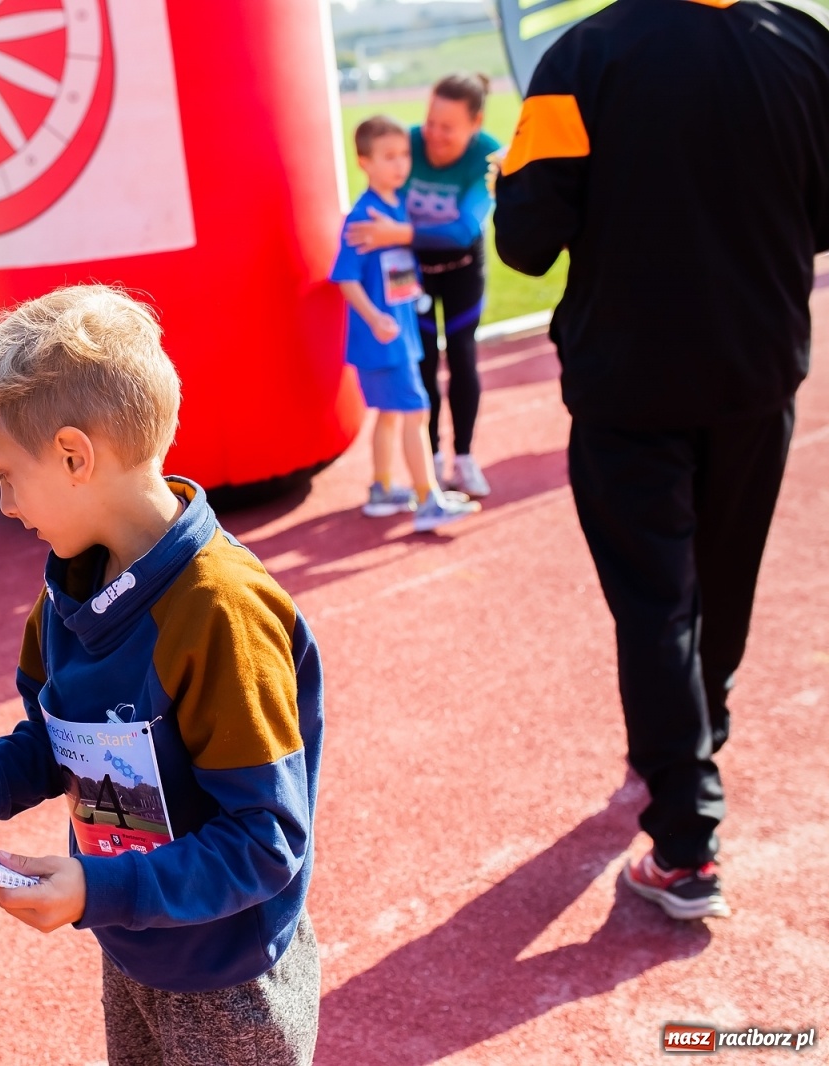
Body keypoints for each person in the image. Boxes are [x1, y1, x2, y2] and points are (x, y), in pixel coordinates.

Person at [0, 286, 325, 1066]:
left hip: (229, 979)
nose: (4, 503)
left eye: (6, 475)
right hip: (133, 944)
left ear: (73, 457)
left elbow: (265, 841)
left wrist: (100, 890)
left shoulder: (221, 612)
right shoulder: (68, 595)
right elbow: (54, 741)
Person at [494, 0, 829, 920]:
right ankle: (696, 736)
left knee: (656, 606)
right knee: (724, 580)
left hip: (630, 386)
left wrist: (510, 178)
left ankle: (685, 840)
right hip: (758, 371)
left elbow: (525, 242)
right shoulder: (806, 44)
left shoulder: (583, 57)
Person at [345, 73, 502, 499]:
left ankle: (463, 458)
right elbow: (377, 192)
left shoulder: (487, 155)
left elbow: (465, 229)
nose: (433, 134)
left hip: (462, 269)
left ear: (475, 124)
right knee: (424, 361)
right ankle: (429, 462)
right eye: (430, 122)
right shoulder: (408, 142)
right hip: (414, 272)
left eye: (448, 127)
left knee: (463, 355)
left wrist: (399, 234)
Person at [332, 115, 480, 533]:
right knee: (417, 411)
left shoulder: (396, 206)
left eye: (403, 156)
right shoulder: (362, 218)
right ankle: (428, 499)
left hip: (402, 333)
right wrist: (376, 317)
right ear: (364, 162)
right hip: (384, 340)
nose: (400, 165)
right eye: (389, 157)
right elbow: (345, 277)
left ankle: (382, 488)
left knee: (391, 414)